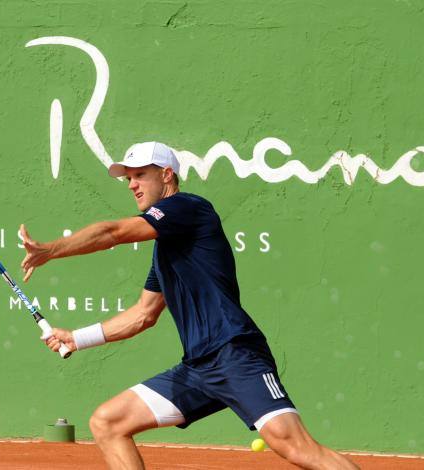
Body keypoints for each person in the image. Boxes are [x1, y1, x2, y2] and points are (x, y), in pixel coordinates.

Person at [19, 142, 359, 470]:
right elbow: (143, 315)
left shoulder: (188, 207)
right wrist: (78, 338)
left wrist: (51, 250)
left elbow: (113, 232)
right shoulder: (167, 247)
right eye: (129, 178)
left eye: (140, 175)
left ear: (167, 175)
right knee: (108, 422)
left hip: (235, 354)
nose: (132, 184)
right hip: (198, 368)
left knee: (294, 446)